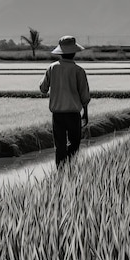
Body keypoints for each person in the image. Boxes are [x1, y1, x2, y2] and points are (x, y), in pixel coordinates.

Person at [39, 35, 90, 168]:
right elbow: (84, 96)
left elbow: (43, 89)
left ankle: (61, 171)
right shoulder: (79, 71)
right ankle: (69, 169)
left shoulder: (52, 68)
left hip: (58, 115)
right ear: (74, 53)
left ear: (60, 53)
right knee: (74, 144)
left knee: (60, 146)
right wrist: (86, 114)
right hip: (73, 114)